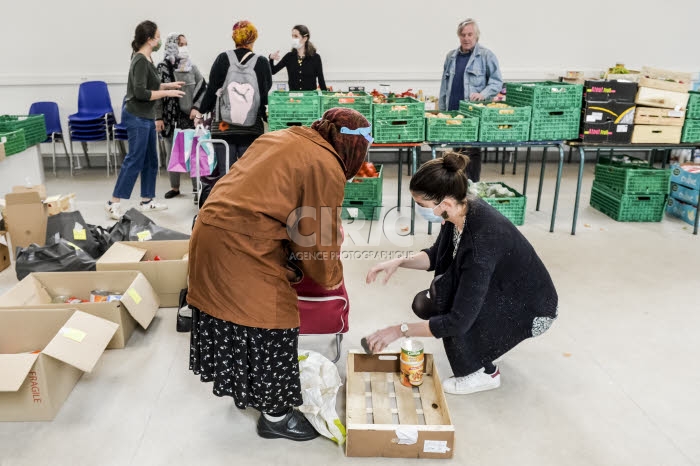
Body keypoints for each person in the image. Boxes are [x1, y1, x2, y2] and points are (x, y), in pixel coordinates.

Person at [187, 108, 372, 440]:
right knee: (274, 321)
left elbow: (268, 199)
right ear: (354, 148)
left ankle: (254, 392)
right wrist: (331, 274)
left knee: (238, 321)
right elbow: (316, 236)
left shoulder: (282, 137)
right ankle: (276, 417)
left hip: (209, 231)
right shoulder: (326, 165)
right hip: (243, 245)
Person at [365, 152, 558, 395]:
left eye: (423, 206)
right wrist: (399, 261)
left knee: (452, 308)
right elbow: (437, 255)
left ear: (444, 204)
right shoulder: (459, 212)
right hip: (506, 287)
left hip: (531, 306)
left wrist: (398, 330)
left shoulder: (481, 242)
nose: (423, 211)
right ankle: (479, 353)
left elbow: (458, 321)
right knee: (431, 301)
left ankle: (483, 374)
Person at [106, 20, 185, 220]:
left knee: (151, 159)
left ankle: (147, 200)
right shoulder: (140, 60)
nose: (160, 40)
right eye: (158, 37)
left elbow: (154, 84)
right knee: (134, 159)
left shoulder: (148, 59)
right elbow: (141, 92)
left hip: (147, 116)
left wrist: (170, 85)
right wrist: (168, 93)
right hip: (136, 116)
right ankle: (113, 202)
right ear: (150, 39)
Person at [191, 20, 272, 181]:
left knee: (225, 175)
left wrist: (200, 112)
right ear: (253, 39)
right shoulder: (262, 62)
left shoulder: (222, 59)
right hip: (251, 128)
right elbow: (264, 94)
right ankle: (245, 205)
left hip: (223, 127)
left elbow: (211, 90)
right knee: (247, 175)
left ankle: (225, 205)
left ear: (234, 38)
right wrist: (265, 116)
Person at [438, 19, 503, 182]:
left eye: (469, 34)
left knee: (472, 152)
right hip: (454, 114)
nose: (466, 38)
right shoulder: (451, 57)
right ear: (458, 36)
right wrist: (442, 110)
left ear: (476, 35)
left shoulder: (486, 56)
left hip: (473, 114)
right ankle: (458, 188)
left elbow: (496, 81)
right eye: (463, 35)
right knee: (456, 153)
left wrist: (483, 94)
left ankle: (472, 189)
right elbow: (444, 85)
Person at [157, 32, 207, 204]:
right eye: (181, 44)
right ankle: (175, 187)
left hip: (189, 116)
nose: (184, 48)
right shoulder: (162, 67)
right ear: (172, 45)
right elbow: (157, 94)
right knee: (172, 153)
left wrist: (196, 108)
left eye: (186, 44)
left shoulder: (191, 67)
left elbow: (203, 87)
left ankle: (196, 189)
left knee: (194, 153)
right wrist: (158, 117)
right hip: (169, 118)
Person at [269, 25, 327, 91]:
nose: (293, 39)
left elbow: (321, 80)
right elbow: (272, 71)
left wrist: (326, 98)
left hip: (310, 98)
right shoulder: (289, 57)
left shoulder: (316, 58)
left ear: (305, 38)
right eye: (292, 36)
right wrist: (271, 59)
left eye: (296, 36)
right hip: (293, 99)